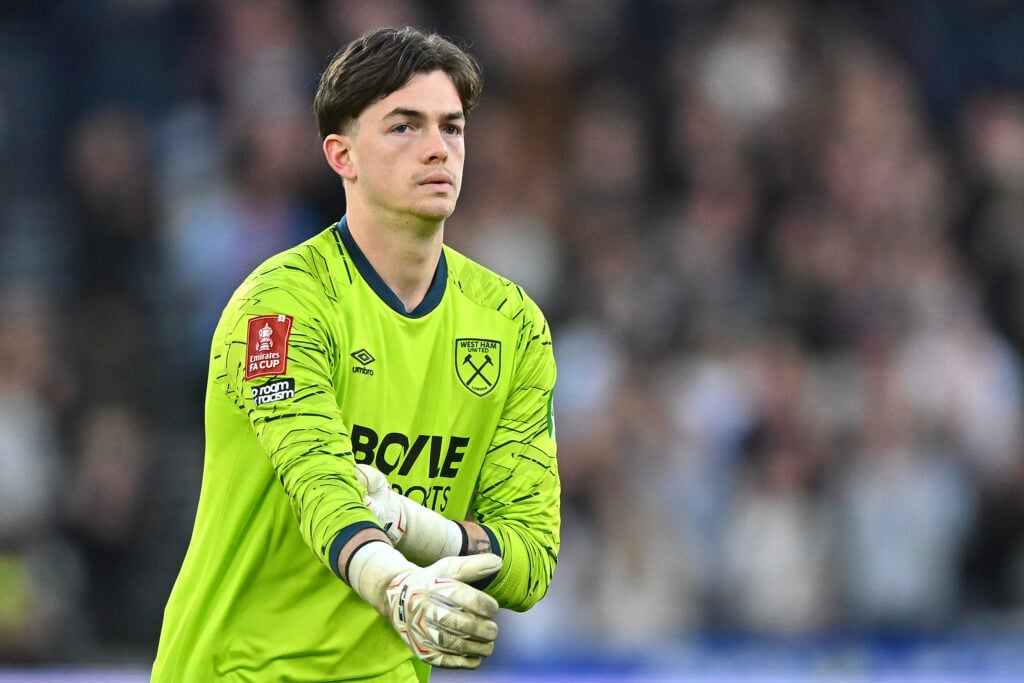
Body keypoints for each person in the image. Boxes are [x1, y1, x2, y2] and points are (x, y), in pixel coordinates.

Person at [151, 26, 560, 682]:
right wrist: (396, 585)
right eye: (404, 127)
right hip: (237, 671)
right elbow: (321, 485)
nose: (438, 148)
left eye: (452, 127)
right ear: (343, 156)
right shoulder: (281, 307)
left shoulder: (511, 324)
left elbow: (532, 558)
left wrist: (414, 524)